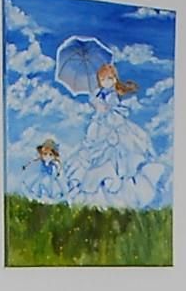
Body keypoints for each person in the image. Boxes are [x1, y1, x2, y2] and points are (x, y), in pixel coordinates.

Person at [65, 62, 166, 210]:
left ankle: (122, 198)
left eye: (110, 79)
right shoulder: (98, 93)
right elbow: (95, 102)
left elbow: (113, 109)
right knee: (94, 158)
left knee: (116, 159)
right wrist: (96, 103)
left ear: (115, 79)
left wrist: (104, 107)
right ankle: (98, 201)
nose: (107, 82)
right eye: (103, 79)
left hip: (113, 126)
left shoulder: (113, 94)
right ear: (99, 81)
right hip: (100, 128)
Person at [20, 138, 69, 204]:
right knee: (38, 184)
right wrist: (26, 166)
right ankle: (39, 196)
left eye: (50, 154)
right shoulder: (40, 159)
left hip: (50, 176)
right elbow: (32, 161)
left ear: (54, 155)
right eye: (45, 154)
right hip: (41, 175)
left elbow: (59, 165)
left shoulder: (53, 163)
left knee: (50, 186)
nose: (47, 156)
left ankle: (48, 197)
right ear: (42, 153)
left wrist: (58, 172)